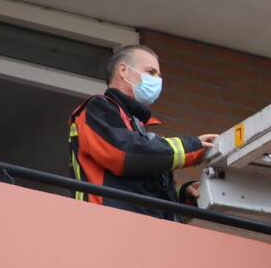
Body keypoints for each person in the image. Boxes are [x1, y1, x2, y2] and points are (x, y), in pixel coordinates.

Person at [68, 44, 218, 220]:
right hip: (108, 224)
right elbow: (124, 154)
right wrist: (190, 147)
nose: (157, 80)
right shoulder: (98, 109)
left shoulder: (136, 126)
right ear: (123, 71)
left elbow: (141, 189)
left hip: (139, 228)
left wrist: (183, 196)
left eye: (159, 76)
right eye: (151, 72)